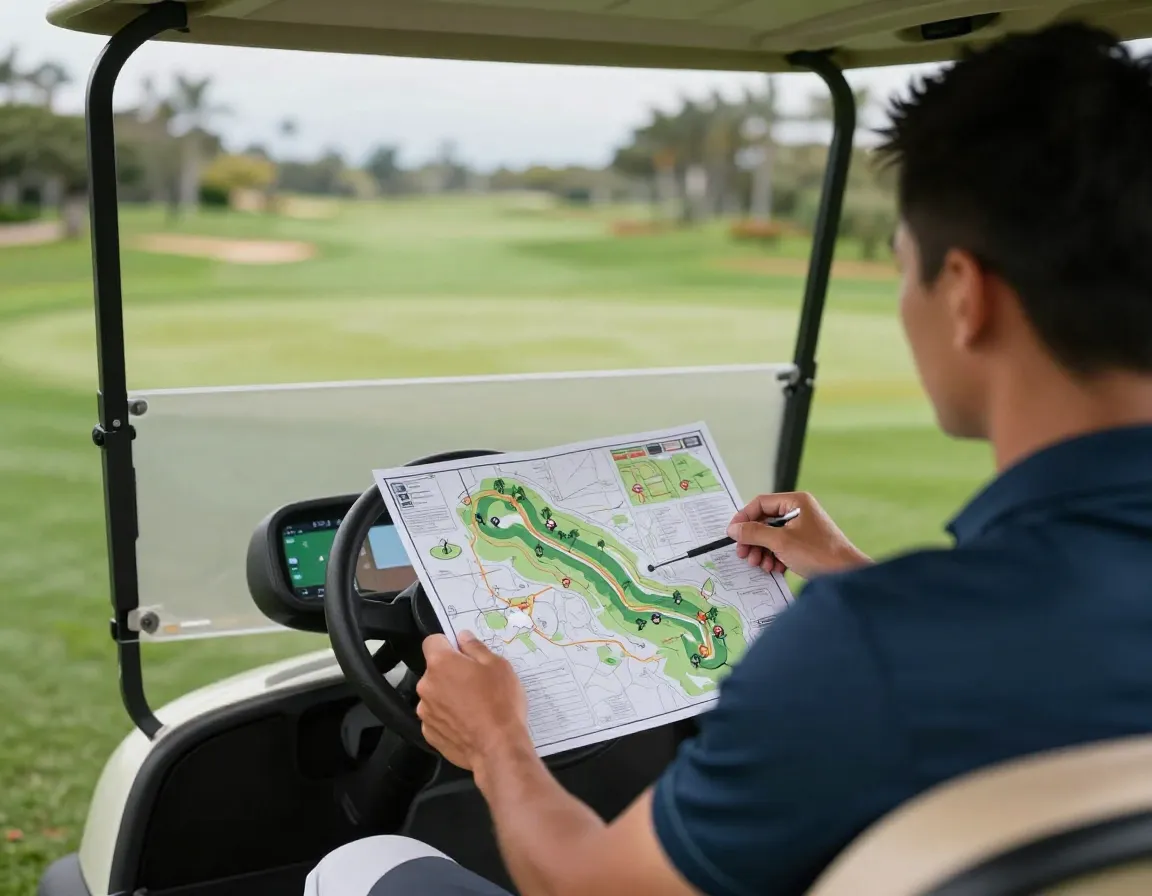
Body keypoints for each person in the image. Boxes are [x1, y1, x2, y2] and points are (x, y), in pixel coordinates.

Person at [307, 22, 1152, 896]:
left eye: (907, 269)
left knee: (360, 865)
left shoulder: (872, 651)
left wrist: (495, 741)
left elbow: (590, 885)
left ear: (967, 297)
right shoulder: (939, 632)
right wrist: (847, 571)